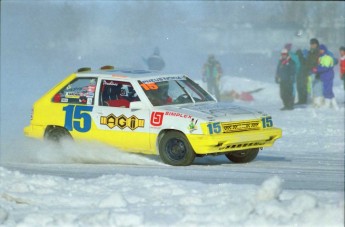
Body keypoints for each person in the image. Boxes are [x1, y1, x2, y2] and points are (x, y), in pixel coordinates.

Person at [314, 44, 338, 110]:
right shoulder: (321, 57)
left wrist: (317, 69)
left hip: (328, 76)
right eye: (319, 50)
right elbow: (320, 66)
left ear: (324, 50)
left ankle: (328, 104)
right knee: (328, 90)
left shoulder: (327, 57)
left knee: (327, 90)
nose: (320, 51)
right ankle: (334, 104)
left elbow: (326, 67)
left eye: (321, 50)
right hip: (324, 76)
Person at [305, 38, 323, 107]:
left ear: (316, 44)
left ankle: (319, 102)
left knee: (318, 86)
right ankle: (315, 102)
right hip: (311, 71)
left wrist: (318, 69)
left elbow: (321, 61)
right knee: (312, 87)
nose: (312, 45)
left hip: (317, 71)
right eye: (311, 44)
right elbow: (308, 61)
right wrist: (308, 69)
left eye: (313, 44)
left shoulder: (319, 51)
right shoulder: (310, 52)